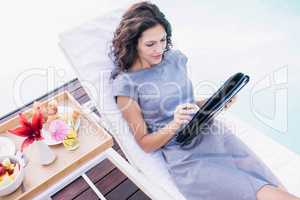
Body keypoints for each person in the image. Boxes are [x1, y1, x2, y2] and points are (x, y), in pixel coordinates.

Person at [109, 1, 300, 200]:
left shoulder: (174, 59)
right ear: (133, 43)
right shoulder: (126, 86)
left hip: (213, 134)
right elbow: (145, 144)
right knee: (257, 190)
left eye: (163, 40)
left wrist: (214, 101)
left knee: (271, 184)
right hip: (187, 156)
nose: (160, 49)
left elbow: (186, 102)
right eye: (150, 44)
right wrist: (175, 124)